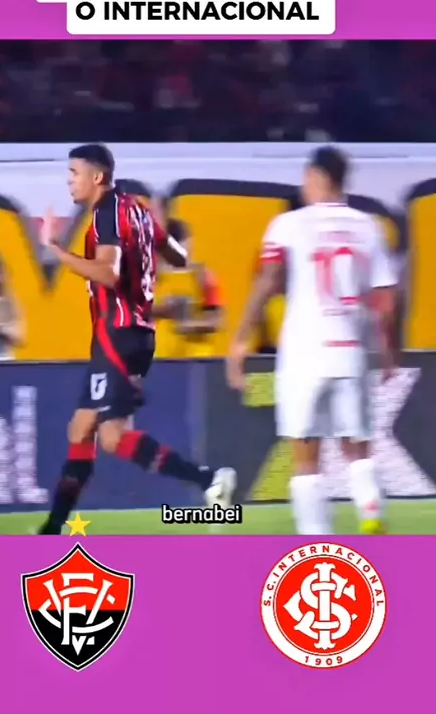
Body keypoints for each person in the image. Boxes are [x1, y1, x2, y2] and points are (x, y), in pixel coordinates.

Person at [37, 143, 235, 535]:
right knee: (84, 429)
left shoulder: (107, 212)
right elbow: (178, 257)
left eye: (74, 173)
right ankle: (52, 528)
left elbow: (108, 274)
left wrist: (56, 250)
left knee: (109, 436)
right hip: (135, 335)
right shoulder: (137, 212)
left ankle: (209, 479)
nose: (69, 181)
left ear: (96, 176)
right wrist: (147, 251)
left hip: (118, 334)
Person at [226, 146, 398, 536]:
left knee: (304, 453)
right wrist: (388, 353)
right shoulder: (369, 226)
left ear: (317, 177)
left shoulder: (288, 225)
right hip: (352, 350)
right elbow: (385, 301)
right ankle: (370, 506)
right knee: (357, 446)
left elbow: (269, 280)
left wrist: (240, 339)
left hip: (304, 351)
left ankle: (316, 534)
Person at [152, 217, 224, 358]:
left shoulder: (204, 277)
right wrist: (163, 310)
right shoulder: (150, 277)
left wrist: (187, 326)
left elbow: (217, 321)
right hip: (161, 358)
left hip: (195, 359)